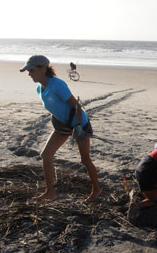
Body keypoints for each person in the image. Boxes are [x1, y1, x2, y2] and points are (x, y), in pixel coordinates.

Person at [20, 55, 101, 202]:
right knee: (46, 155)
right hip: (62, 126)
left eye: (31, 70)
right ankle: (50, 192)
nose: (29, 74)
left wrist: (78, 127)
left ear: (43, 69)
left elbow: (76, 105)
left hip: (79, 124)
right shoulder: (40, 88)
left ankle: (97, 190)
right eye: (28, 71)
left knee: (85, 159)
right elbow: (55, 108)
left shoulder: (57, 84)